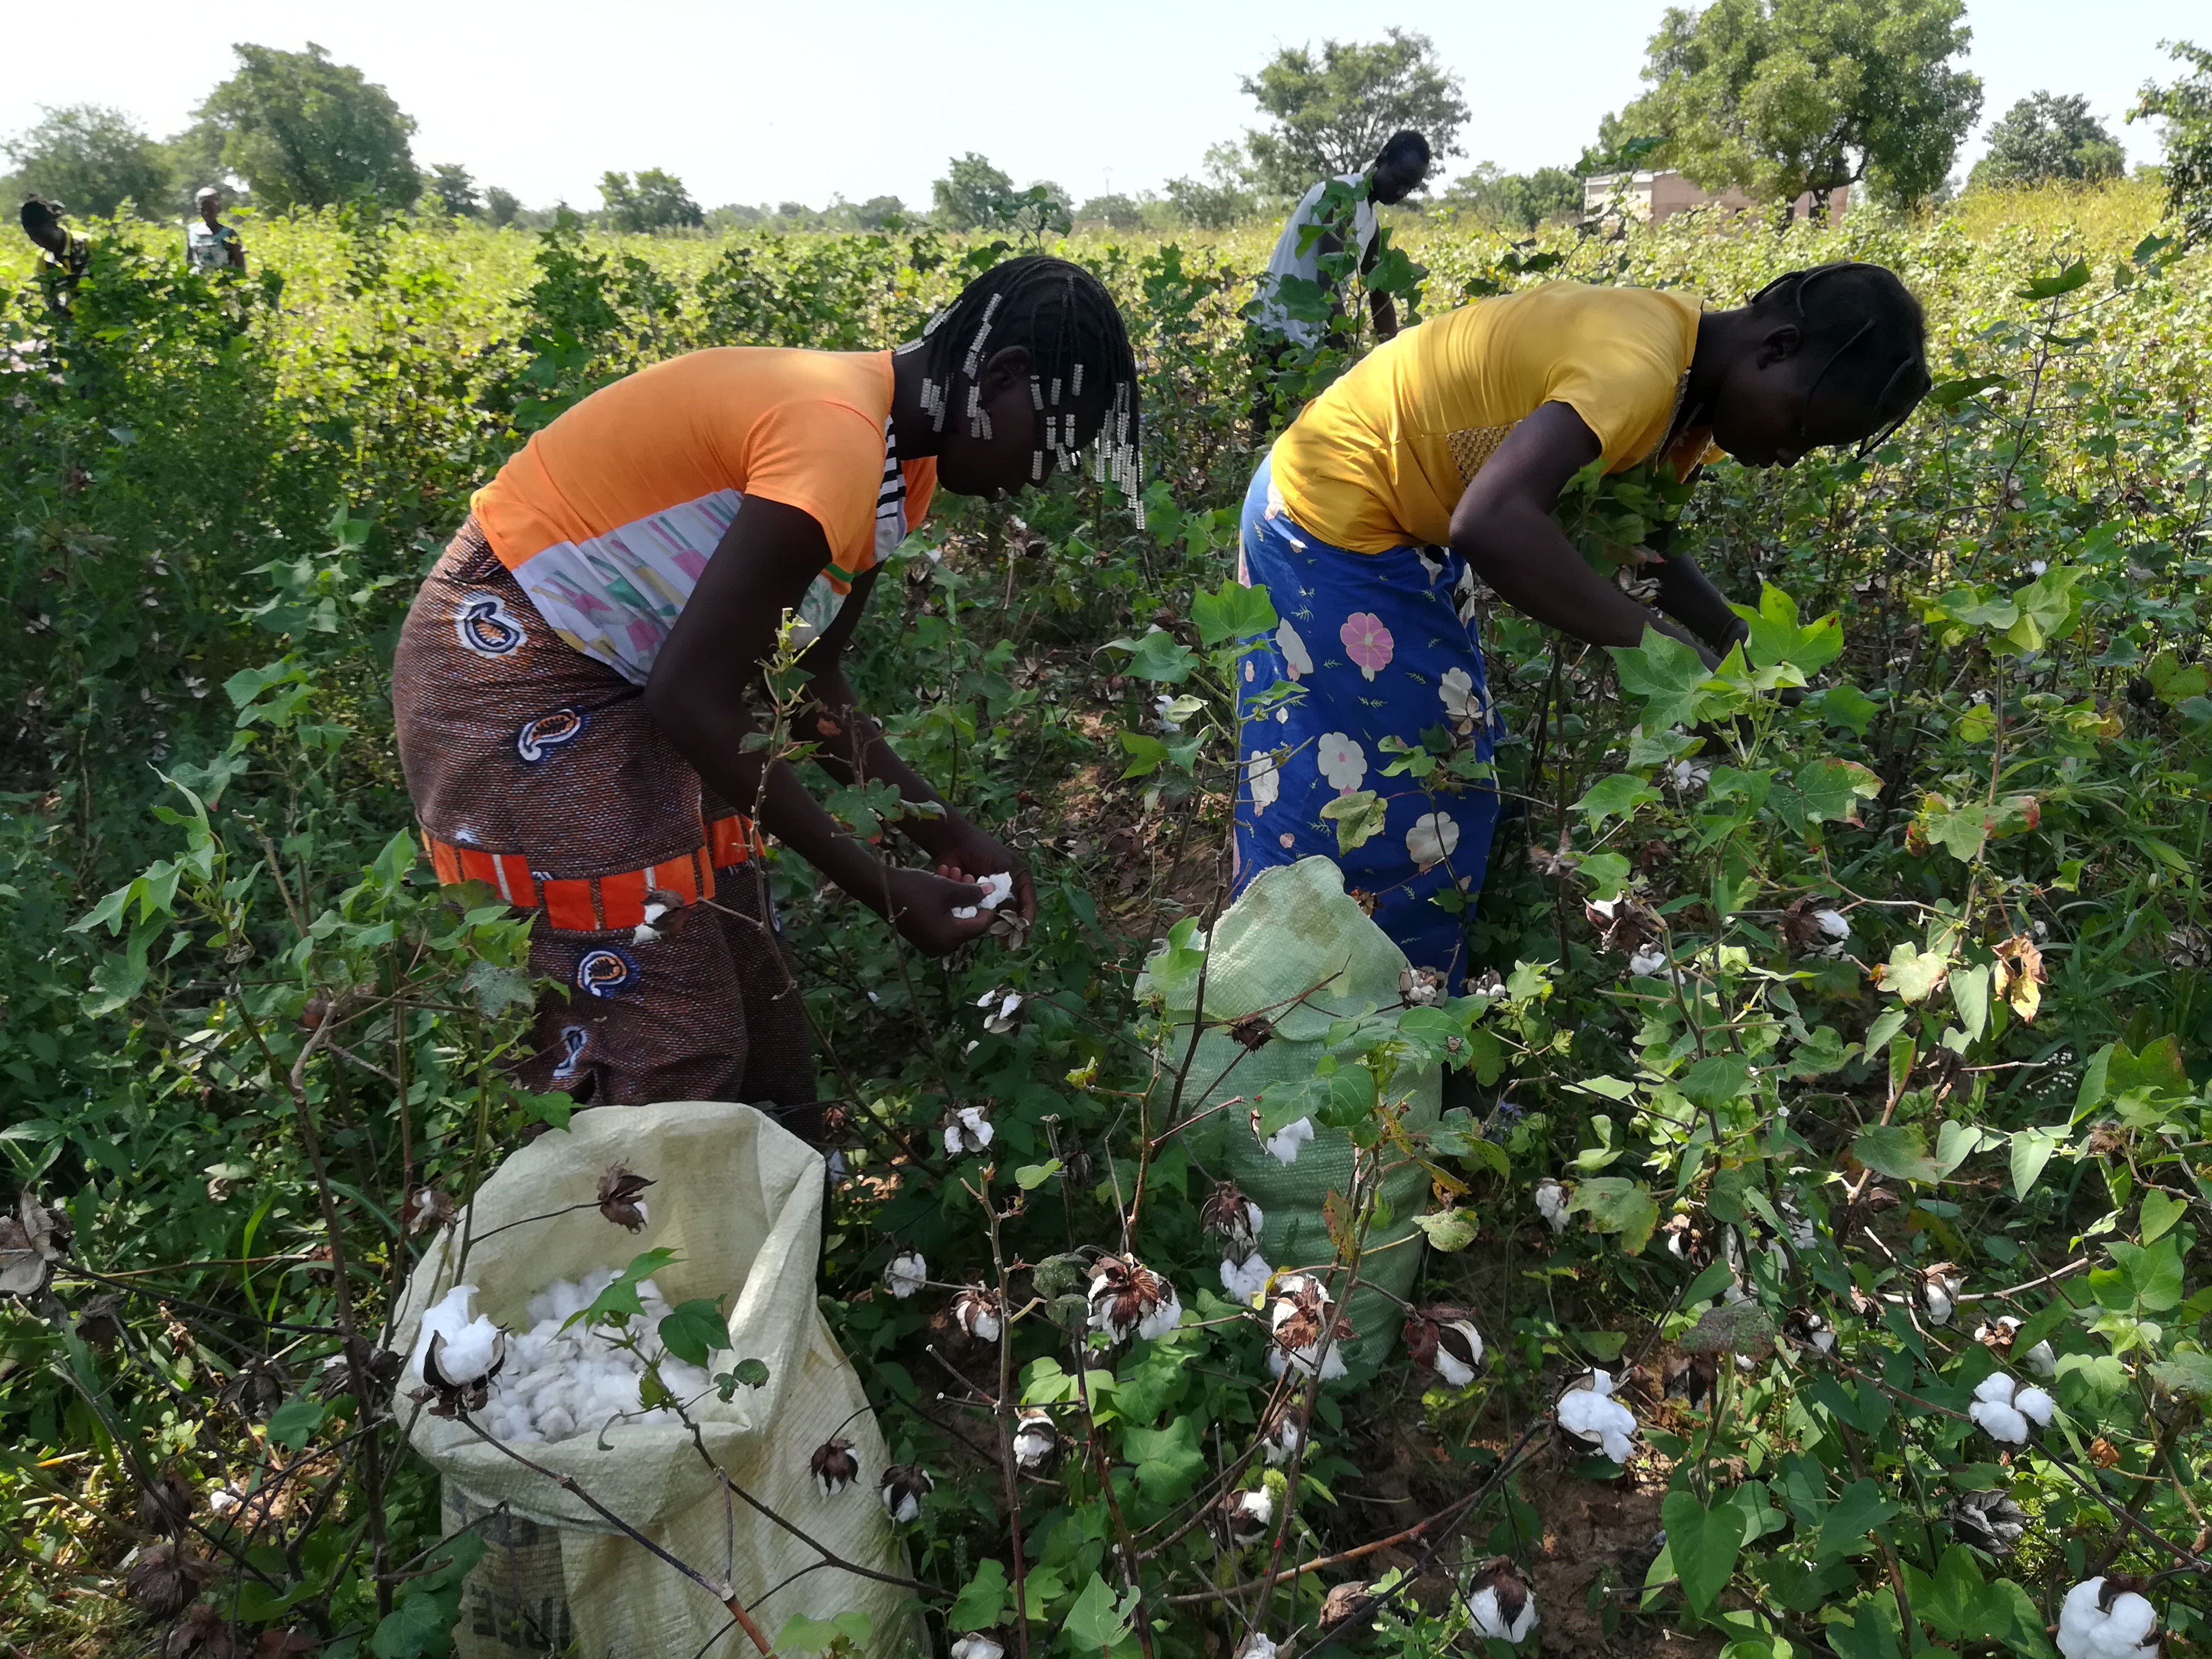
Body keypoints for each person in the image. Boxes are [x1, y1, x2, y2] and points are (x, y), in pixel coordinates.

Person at [393, 255, 1141, 1121]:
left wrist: (944, 831)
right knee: (668, 1033)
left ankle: (754, 1243)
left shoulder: (906, 466)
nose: (1042, 477)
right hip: (515, 657)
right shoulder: (836, 438)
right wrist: (883, 888)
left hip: (634, 665)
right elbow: (698, 701)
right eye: (1052, 443)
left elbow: (802, 674)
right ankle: (623, 1252)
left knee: (752, 988)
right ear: (1001, 377)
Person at [1233, 262, 1930, 987]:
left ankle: (1386, 1012)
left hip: (1394, 523)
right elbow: (1493, 523)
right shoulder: (1637, 369)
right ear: (1778, 347)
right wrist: (1670, 662)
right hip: (1328, 517)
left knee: (1445, 766)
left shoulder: (1684, 377)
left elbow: (1640, 543)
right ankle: (1317, 1018)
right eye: (1801, 426)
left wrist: (1735, 650)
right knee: (1394, 799)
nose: (1787, 456)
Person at [1248, 130, 1432, 435]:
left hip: (1306, 337)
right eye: (1399, 179)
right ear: (1381, 160)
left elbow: (1378, 292)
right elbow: (1328, 282)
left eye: (1410, 188)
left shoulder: (1370, 221)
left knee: (1298, 438)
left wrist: (1395, 356)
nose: (1401, 192)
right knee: (1269, 434)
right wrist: (1349, 361)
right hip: (1278, 331)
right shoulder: (1339, 195)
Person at [19, 197, 89, 310]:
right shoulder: (44, 260)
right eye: (32, 236)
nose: (39, 241)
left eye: (43, 235)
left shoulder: (86, 245)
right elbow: (52, 302)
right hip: (75, 322)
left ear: (54, 225)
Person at [186, 186, 246, 274]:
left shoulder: (229, 233)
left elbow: (240, 267)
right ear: (199, 208)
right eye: (204, 207)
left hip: (222, 284)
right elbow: (190, 261)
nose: (207, 212)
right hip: (199, 284)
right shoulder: (192, 231)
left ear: (218, 209)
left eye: (211, 207)